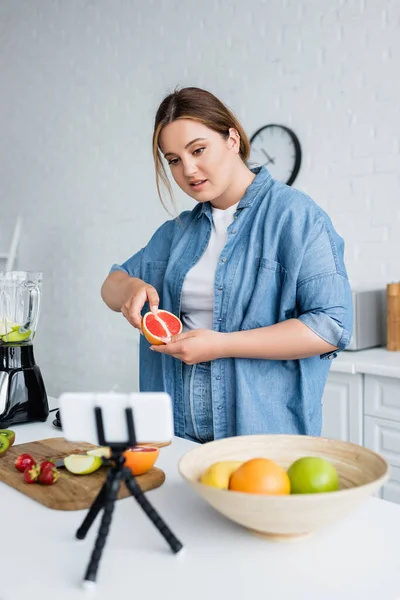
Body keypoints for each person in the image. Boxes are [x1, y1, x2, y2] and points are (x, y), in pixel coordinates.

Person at [101, 86, 353, 443]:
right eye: (173, 160)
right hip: (174, 438)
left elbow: (331, 325)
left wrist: (221, 344)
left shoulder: (296, 218)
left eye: (198, 149)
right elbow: (111, 284)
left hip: (261, 439)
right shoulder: (177, 233)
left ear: (232, 139)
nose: (188, 169)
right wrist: (129, 287)